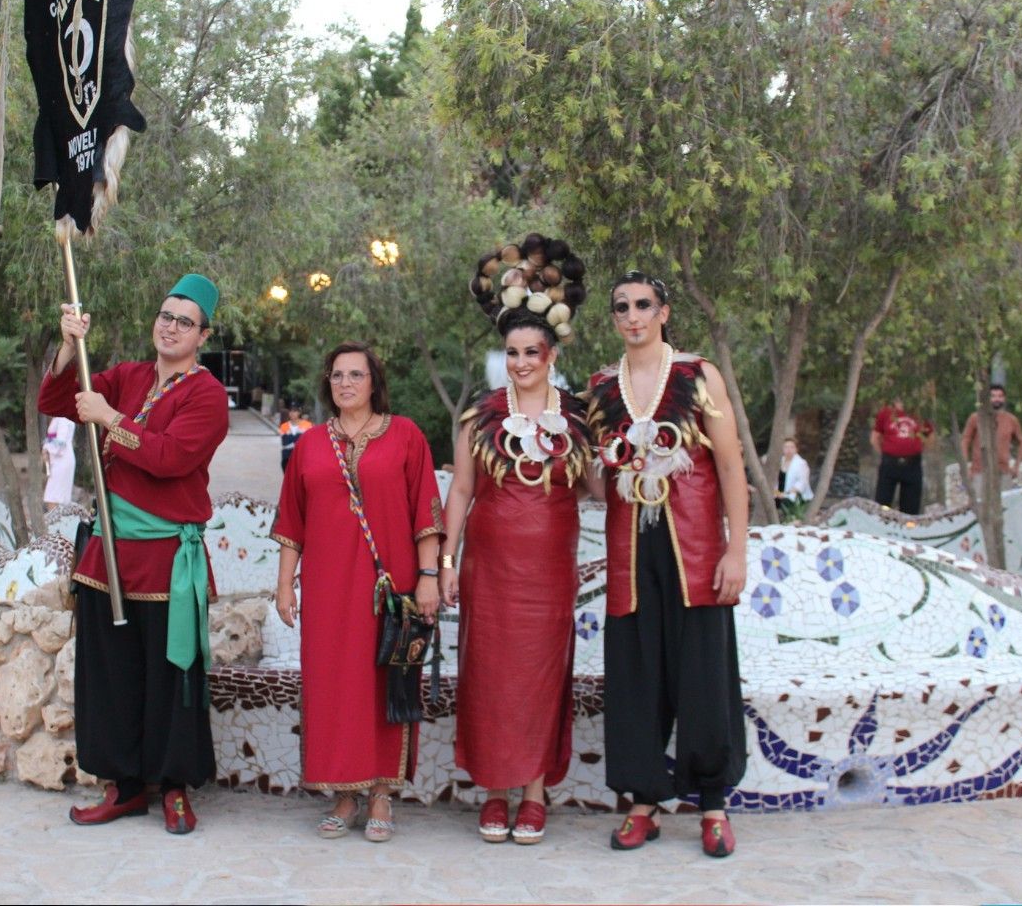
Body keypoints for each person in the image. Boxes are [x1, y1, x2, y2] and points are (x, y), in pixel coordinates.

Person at [38, 274, 230, 835]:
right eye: (166, 316)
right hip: (109, 557)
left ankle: (173, 788)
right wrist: (66, 347)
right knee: (110, 675)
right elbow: (56, 400)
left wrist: (110, 419)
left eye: (185, 322)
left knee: (171, 678)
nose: (171, 327)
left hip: (167, 560)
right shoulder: (127, 376)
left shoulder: (207, 395)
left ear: (203, 336)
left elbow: (171, 459)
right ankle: (122, 787)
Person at [587, 270, 749, 858]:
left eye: (643, 305)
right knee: (635, 674)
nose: (632, 316)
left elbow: (729, 464)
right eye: (622, 307)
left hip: (695, 547)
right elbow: (596, 481)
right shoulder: (601, 388)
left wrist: (737, 549)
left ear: (664, 312)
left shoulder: (697, 375)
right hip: (630, 551)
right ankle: (644, 803)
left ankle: (713, 804)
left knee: (703, 673)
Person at [439, 235, 593, 845]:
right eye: (513, 353)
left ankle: (532, 793)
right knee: (490, 678)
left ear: (551, 354)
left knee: (541, 678)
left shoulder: (579, 417)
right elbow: (460, 492)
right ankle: (495, 793)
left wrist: (630, 451)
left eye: (532, 352)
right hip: (490, 572)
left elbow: (596, 488)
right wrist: (446, 562)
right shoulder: (480, 416)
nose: (522, 362)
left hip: (550, 573)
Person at [272, 341, 443, 843]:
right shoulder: (309, 445)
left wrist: (429, 577)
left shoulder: (406, 435)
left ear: (374, 382)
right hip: (327, 590)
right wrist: (284, 586)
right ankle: (344, 793)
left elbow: (426, 512)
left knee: (386, 686)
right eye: (337, 375)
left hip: (392, 591)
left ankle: (382, 792)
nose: (345, 383)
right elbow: (291, 523)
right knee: (333, 686)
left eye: (356, 375)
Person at [961, 385, 1022, 499]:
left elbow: (1021, 441)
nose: (997, 399)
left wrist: (1016, 466)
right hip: (980, 471)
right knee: (980, 504)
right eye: (993, 396)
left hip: (1003, 471)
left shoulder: (1011, 420)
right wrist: (965, 466)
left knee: (1005, 504)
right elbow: (965, 440)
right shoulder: (976, 418)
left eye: (1000, 396)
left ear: (1004, 398)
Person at [870, 397, 933, 514]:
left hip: (912, 464)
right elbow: (875, 437)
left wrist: (917, 449)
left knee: (910, 507)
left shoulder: (919, 413)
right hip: (889, 463)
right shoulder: (886, 412)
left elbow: (929, 436)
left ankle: (908, 525)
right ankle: (883, 524)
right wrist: (885, 453)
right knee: (883, 505)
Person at [41, 415, 77, 509]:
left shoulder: (63, 418)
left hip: (62, 460)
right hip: (58, 460)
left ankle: (57, 518)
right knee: (55, 496)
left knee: (53, 497)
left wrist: (47, 448)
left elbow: (61, 443)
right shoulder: (59, 417)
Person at [777, 437, 813, 505]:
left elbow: (802, 482)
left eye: (792, 447)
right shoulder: (780, 461)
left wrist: (786, 493)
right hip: (778, 494)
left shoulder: (801, 463)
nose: (789, 450)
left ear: (796, 449)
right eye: (786, 447)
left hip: (795, 498)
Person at [277, 405, 311, 472]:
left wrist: (290, 436)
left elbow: (307, 442)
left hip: (302, 455)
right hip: (287, 456)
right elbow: (285, 442)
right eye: (290, 411)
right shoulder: (283, 426)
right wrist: (299, 436)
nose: (292, 413)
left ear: (299, 413)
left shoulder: (308, 425)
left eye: (295, 411)